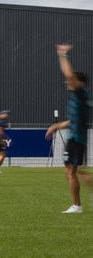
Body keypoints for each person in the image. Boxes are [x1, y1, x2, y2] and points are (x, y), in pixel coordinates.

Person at [45, 43, 92, 214]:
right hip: (77, 138)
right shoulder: (80, 98)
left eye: (71, 80)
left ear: (79, 82)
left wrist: (62, 54)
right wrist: (56, 126)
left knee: (71, 171)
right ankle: (79, 203)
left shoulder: (80, 93)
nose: (67, 81)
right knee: (73, 171)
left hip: (76, 139)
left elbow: (68, 73)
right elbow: (73, 121)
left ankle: (77, 206)